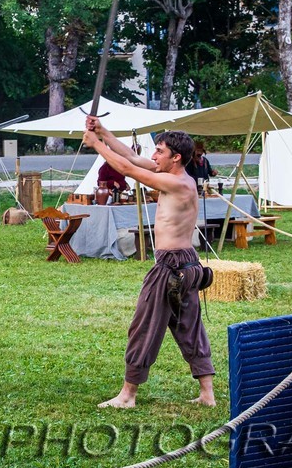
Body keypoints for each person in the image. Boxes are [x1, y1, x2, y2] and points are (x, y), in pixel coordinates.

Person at [84, 116, 216, 408]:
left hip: (170, 266)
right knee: (189, 326)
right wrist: (103, 131)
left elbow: (127, 168)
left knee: (145, 326)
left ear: (176, 158)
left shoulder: (177, 183)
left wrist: (94, 144)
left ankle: (128, 395)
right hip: (187, 264)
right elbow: (130, 156)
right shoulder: (173, 174)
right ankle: (207, 394)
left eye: (159, 151)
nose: (154, 156)